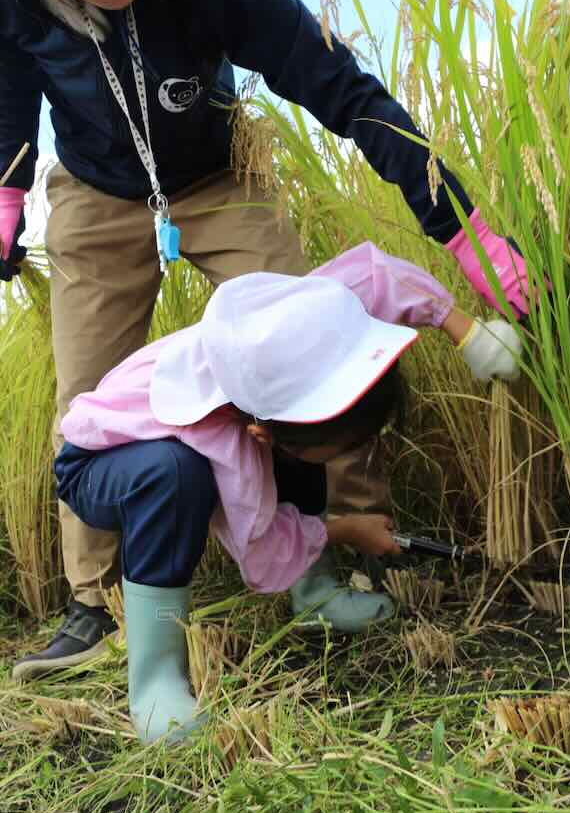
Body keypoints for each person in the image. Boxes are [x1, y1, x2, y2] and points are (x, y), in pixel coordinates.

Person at [1, 0, 534, 679]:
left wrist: (462, 229)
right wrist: (6, 192)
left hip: (220, 174)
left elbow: (346, 91)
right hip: (97, 195)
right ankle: (96, 604)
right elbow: (10, 96)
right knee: (84, 398)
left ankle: (332, 570)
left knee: (310, 346)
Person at [46, 241, 521, 743]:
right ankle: (155, 679)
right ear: (261, 436)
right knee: (175, 475)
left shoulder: (316, 318)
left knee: (286, 441)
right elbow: (262, 551)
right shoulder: (232, 445)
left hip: (221, 430)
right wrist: (348, 531)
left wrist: (465, 330)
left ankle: (316, 595)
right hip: (99, 463)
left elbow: (376, 273)